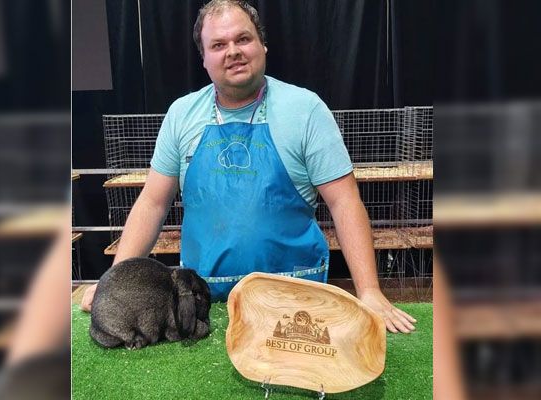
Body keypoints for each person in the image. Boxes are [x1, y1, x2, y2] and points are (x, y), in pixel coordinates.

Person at [82, 0, 416, 333]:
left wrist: (370, 291)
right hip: (202, 304)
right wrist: (115, 284)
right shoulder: (182, 115)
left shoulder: (305, 110)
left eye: (243, 39)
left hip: (295, 296)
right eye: (218, 45)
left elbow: (344, 202)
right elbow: (153, 203)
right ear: (204, 58)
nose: (233, 51)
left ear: (262, 45)